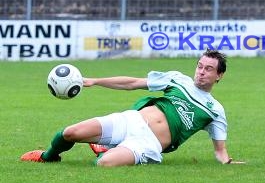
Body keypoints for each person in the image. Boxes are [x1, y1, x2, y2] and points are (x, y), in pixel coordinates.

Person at [21, 50, 244, 167]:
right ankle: (48, 156)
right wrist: (96, 81)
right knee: (69, 133)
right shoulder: (177, 79)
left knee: (104, 164)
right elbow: (132, 83)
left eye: (208, 69)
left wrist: (229, 163)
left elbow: (220, 151)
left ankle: (107, 149)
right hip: (130, 121)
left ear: (219, 75)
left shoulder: (215, 110)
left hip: (147, 143)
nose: (201, 72)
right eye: (199, 66)